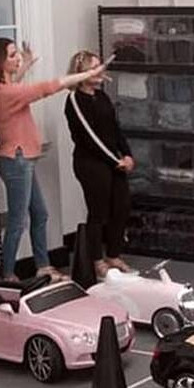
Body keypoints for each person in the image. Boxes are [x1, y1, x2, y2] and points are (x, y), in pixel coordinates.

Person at [0, 38, 108, 282]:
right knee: (18, 221)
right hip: (16, 160)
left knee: (40, 214)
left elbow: (16, 87)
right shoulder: (5, 93)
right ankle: (8, 274)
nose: (17, 58)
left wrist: (26, 65)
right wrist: (87, 74)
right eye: (12, 55)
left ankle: (43, 266)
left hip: (22, 159)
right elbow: (48, 87)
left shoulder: (3, 89)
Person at [64, 50, 134, 279]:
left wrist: (127, 154)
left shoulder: (102, 96)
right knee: (98, 211)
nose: (100, 70)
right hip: (91, 163)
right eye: (93, 67)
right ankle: (97, 260)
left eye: (99, 66)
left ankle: (113, 255)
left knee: (122, 205)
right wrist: (115, 161)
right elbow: (90, 137)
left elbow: (115, 128)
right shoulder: (75, 100)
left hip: (114, 161)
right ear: (82, 73)